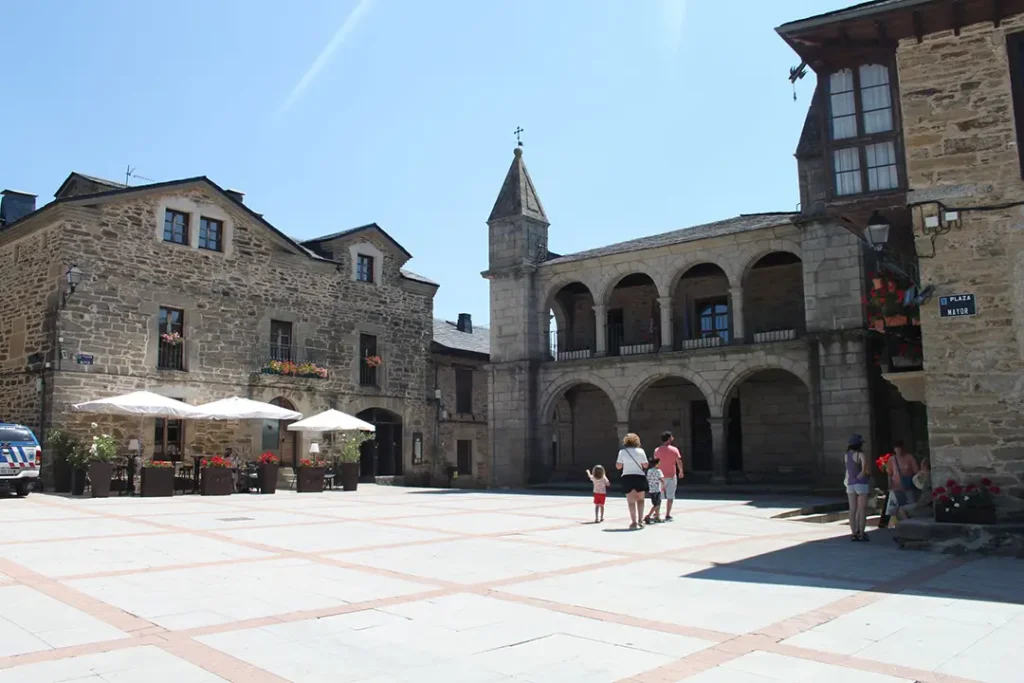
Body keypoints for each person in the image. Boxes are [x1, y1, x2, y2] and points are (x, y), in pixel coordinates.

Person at [615, 433, 649, 530]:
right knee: (641, 500)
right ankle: (640, 520)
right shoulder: (641, 451)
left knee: (631, 502)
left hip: (627, 477)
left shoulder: (622, 452)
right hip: (639, 476)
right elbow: (645, 465)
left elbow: (618, 466)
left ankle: (633, 522)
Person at [844, 434, 871, 542]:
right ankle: (861, 533)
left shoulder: (846, 455)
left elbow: (847, 468)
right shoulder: (860, 454)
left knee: (852, 509)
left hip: (850, 484)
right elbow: (865, 468)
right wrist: (862, 474)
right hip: (861, 484)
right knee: (862, 509)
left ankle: (853, 533)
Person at [655, 431, 684, 521]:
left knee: (659, 496)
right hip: (671, 475)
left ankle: (657, 514)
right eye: (671, 436)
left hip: (660, 476)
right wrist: (681, 471)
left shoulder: (657, 450)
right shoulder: (674, 450)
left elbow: (655, 463)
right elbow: (678, 461)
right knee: (670, 496)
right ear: (669, 438)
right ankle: (668, 514)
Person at [888, 441, 920, 517]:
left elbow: (916, 471)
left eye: (899, 448)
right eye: (896, 448)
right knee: (898, 506)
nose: (898, 450)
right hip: (896, 487)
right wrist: (889, 485)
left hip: (908, 486)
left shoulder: (909, 457)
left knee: (910, 505)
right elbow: (889, 473)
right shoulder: (891, 459)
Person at [643, 457, 665, 524]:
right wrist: (663, 486)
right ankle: (648, 516)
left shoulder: (649, 471)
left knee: (656, 503)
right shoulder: (658, 471)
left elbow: (648, 479)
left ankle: (657, 517)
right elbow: (662, 479)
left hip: (651, 489)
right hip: (657, 489)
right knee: (657, 504)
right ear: (656, 464)